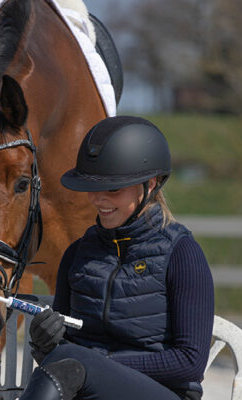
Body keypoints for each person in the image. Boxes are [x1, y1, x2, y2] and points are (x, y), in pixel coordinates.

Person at [19, 116, 215, 400]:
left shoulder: (182, 254)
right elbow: (64, 358)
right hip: (91, 389)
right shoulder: (77, 255)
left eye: (113, 189)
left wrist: (98, 362)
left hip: (164, 393)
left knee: (74, 364)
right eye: (92, 188)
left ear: (150, 184)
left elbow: (190, 363)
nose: (99, 199)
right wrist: (45, 343)